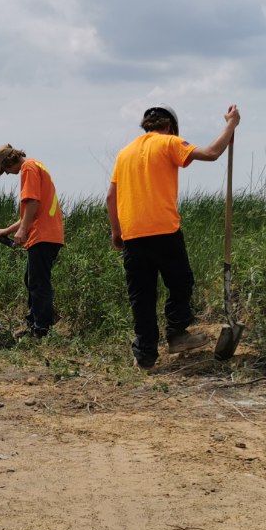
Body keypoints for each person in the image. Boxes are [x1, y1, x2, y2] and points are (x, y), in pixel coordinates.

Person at [105, 104, 240, 369]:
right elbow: (212, 153)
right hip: (165, 233)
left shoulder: (125, 153)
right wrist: (231, 124)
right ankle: (177, 334)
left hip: (133, 236)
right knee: (180, 283)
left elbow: (111, 197)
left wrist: (116, 231)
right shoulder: (169, 142)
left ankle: (144, 356)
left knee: (141, 297)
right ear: (171, 127)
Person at [0, 144, 64, 339]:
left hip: (43, 234)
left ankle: (41, 329)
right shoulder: (36, 165)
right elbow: (31, 211)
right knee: (32, 280)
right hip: (49, 233)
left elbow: (32, 203)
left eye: (5, 169)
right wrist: (8, 230)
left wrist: (23, 230)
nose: (7, 174)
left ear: (9, 161)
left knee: (38, 283)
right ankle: (36, 323)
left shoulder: (28, 168)